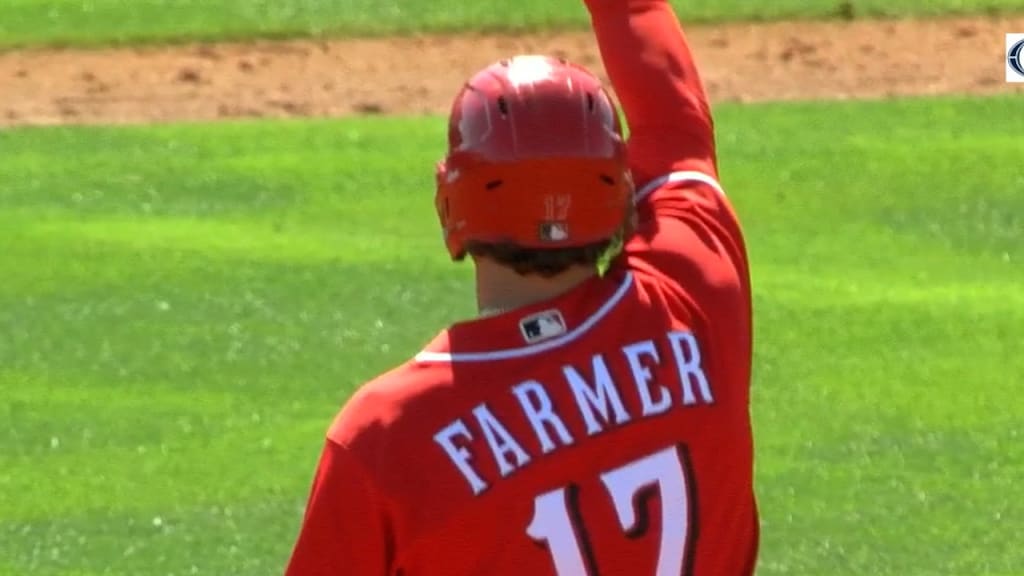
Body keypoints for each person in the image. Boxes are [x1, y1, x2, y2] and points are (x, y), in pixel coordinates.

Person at [284, 0, 758, 573]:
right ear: (618, 191)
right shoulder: (694, 291)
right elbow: (675, 127)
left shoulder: (390, 436)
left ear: (451, 203)